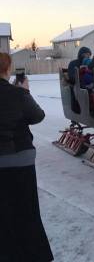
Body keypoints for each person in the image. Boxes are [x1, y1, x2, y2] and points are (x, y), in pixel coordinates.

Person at [0, 52, 54, 262]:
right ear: (8, 69)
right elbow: (37, 116)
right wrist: (25, 93)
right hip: (20, 158)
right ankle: (33, 254)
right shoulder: (17, 93)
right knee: (26, 209)